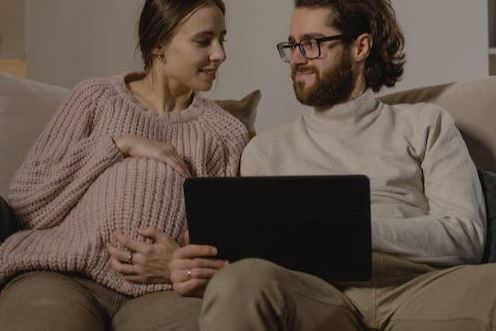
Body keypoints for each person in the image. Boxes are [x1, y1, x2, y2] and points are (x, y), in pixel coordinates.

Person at [168, 0, 496, 330]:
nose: (296, 59)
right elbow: (258, 264)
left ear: (360, 47)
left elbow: (465, 236)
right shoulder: (265, 151)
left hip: (419, 290)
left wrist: (355, 232)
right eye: (292, 46)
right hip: (318, 297)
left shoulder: (426, 123)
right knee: (236, 283)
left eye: (311, 44)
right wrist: (203, 269)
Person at [0, 0, 256, 330]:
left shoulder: (227, 134)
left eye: (223, 38)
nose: (220, 54)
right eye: (203, 40)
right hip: (63, 275)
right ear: (159, 43)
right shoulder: (95, 98)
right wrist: (117, 145)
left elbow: (233, 250)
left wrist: (176, 265)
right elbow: (27, 203)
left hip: (165, 294)